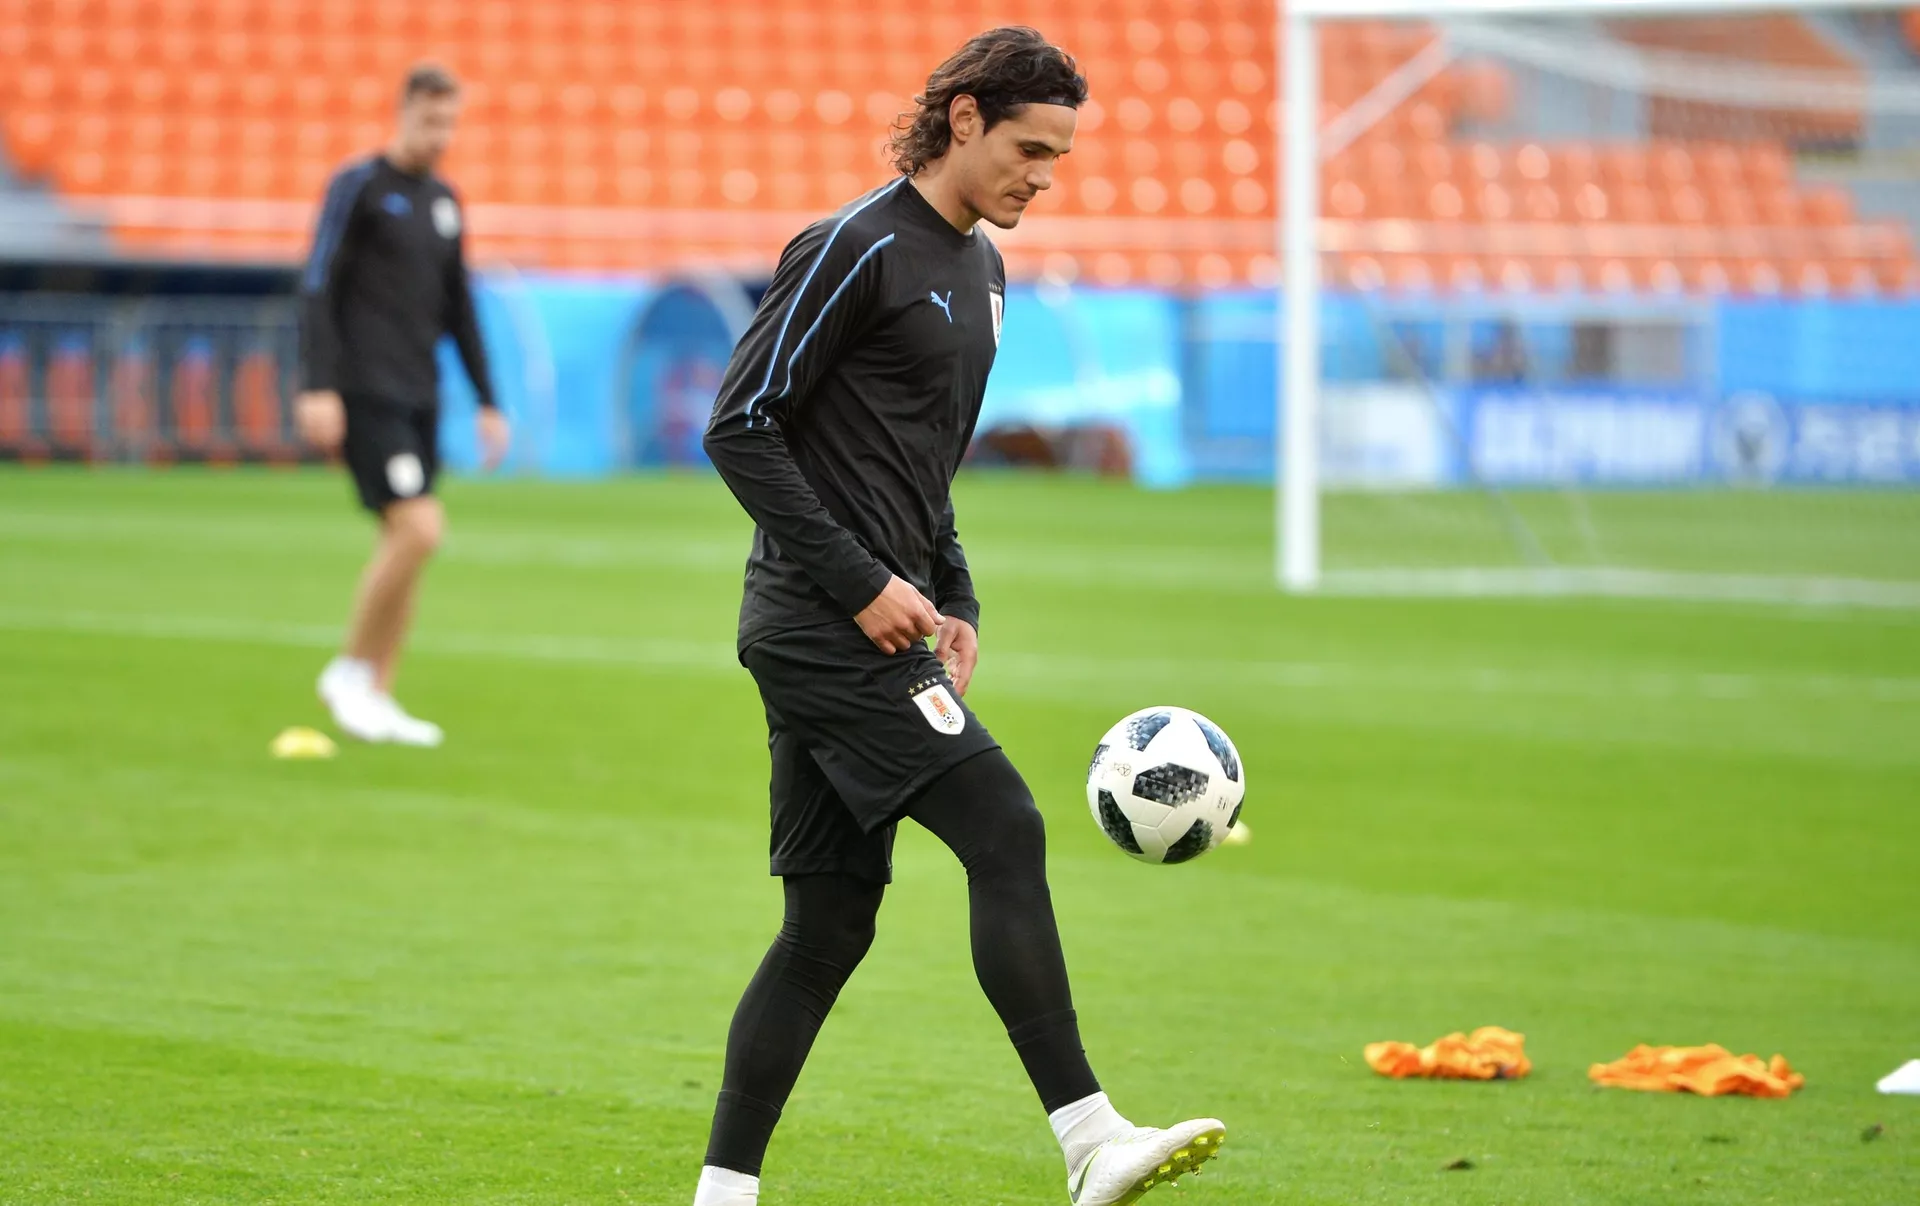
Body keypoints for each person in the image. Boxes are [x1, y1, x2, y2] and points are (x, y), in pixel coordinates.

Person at [694, 28, 1223, 1206]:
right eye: (1031, 149)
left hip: (870, 620)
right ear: (965, 118)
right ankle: (1091, 1140)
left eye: (1060, 158)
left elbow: (921, 467)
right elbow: (740, 426)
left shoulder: (984, 271)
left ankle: (722, 1194)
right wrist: (862, 584)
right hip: (821, 624)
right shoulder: (852, 247)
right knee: (1005, 825)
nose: (1045, 176)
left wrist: (956, 593)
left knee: (828, 926)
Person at [294, 63, 509, 747]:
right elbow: (317, 285)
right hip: (366, 390)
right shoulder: (359, 187)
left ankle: (378, 695)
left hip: (421, 394)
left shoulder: (445, 201)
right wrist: (318, 384)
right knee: (420, 529)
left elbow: (459, 306)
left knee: (405, 545)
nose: (439, 134)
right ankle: (348, 671)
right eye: (429, 120)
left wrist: (488, 399)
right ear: (403, 112)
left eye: (449, 122)